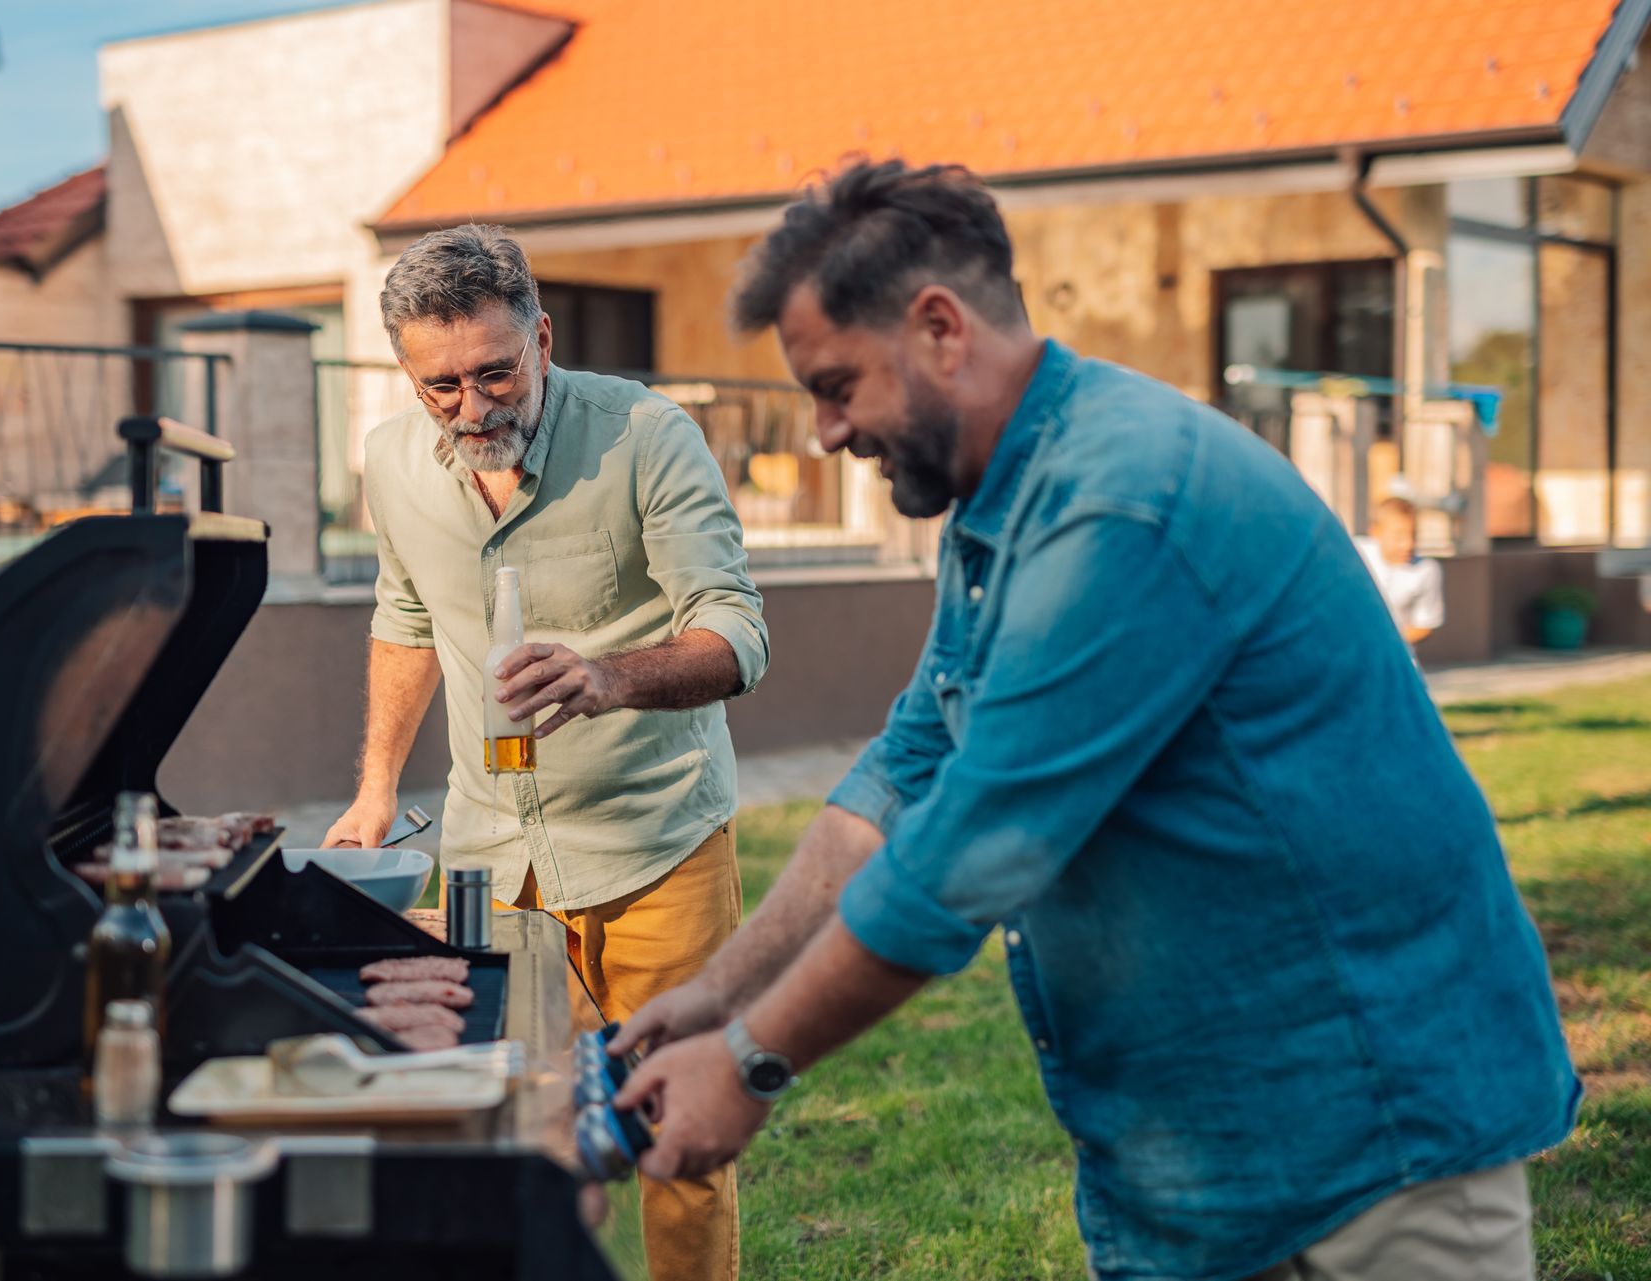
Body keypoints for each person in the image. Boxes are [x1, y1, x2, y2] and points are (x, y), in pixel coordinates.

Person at [610, 161, 1578, 1281]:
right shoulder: (1004, 499)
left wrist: (749, 1063)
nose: (825, 433)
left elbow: (968, 853)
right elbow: (905, 773)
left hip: (1368, 1145)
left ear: (938, 329)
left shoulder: (1119, 502)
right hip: (1207, 1164)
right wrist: (716, 992)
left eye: (837, 385)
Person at [321, 224, 765, 1281]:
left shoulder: (646, 435)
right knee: (510, 1131)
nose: (475, 408)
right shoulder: (391, 461)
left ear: (543, 338)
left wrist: (607, 678)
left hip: (655, 840)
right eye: (442, 387)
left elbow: (738, 631)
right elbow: (407, 618)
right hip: (490, 857)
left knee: (676, 1140)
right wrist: (376, 788)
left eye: (495, 372)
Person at [1356, 495, 1445, 646]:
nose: (1409, 544)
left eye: (1413, 534)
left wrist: (1382, 645)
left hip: (1395, 661)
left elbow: (1423, 626)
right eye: (1399, 536)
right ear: (1375, 532)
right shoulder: (1355, 553)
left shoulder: (1426, 570)